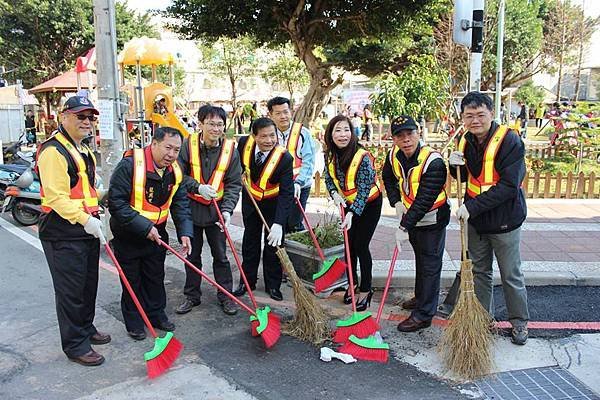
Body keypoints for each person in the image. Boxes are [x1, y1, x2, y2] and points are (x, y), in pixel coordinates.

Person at [447, 91, 529, 345]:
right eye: (469, 116)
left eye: (480, 115)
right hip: (476, 221)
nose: (475, 121)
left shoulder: (510, 141)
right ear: (462, 117)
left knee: (510, 274)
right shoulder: (464, 140)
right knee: (480, 271)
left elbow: (508, 186)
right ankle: (482, 319)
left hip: (504, 219)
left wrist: (473, 207)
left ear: (491, 114)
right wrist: (453, 165)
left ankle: (519, 323)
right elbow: (463, 179)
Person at [37, 96, 109, 366]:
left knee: (88, 285)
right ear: (63, 116)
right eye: (81, 116)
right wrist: (85, 219)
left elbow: (83, 190)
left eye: (91, 117)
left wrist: (101, 197)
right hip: (62, 231)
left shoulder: (82, 150)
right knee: (71, 291)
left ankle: (85, 328)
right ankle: (75, 345)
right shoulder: (54, 151)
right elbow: (56, 197)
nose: (87, 122)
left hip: (84, 229)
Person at [108, 127, 193, 341]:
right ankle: (134, 321)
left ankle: (156, 315)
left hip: (157, 233)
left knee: (155, 277)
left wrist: (185, 232)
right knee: (132, 280)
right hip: (128, 234)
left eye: (176, 149)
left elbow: (180, 203)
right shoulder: (129, 166)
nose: (171, 154)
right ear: (153, 143)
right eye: (167, 148)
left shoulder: (175, 170)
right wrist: (144, 227)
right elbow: (116, 203)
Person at [382, 116, 450, 332]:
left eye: (410, 134)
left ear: (418, 133)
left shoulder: (434, 162)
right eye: (400, 136)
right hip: (411, 217)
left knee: (430, 265)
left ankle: (424, 314)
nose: (406, 140)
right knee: (421, 260)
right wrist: (395, 201)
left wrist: (404, 227)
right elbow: (388, 179)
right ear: (394, 139)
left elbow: (424, 200)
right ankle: (422, 297)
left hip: (431, 220)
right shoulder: (393, 155)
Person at [175, 105, 242, 316]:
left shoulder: (231, 150)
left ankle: (226, 296)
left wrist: (228, 210)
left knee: (221, 256)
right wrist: (197, 187)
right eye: (211, 124)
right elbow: (177, 174)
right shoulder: (187, 145)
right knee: (192, 255)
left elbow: (233, 183)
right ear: (201, 123)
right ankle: (191, 296)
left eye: (220, 124)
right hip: (190, 210)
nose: (216, 129)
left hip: (216, 211)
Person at [324, 115, 382, 310]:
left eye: (346, 130)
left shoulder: (362, 156)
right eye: (338, 130)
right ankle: (352, 283)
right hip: (348, 203)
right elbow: (329, 178)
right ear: (331, 135)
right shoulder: (330, 155)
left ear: (353, 132)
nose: (343, 135)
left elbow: (365, 189)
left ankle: (366, 289)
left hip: (370, 204)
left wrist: (351, 213)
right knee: (349, 247)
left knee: (360, 245)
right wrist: (334, 194)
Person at [234, 117, 294, 301]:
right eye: (264, 136)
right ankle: (247, 281)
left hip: (273, 205)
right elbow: (237, 167)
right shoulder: (244, 143)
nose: (269, 140)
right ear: (254, 136)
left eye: (272, 135)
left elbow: (286, 193)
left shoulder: (284, 158)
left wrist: (278, 223)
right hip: (251, 202)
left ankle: (273, 285)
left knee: (273, 246)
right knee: (250, 243)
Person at [267, 96, 315, 233]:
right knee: (276, 222)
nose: (283, 116)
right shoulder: (268, 134)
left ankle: (297, 253)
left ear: (291, 112)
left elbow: (308, 162)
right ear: (271, 115)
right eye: (278, 113)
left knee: (294, 223)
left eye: (285, 112)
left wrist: (299, 183)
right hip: (275, 187)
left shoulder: (303, 133)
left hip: (299, 186)